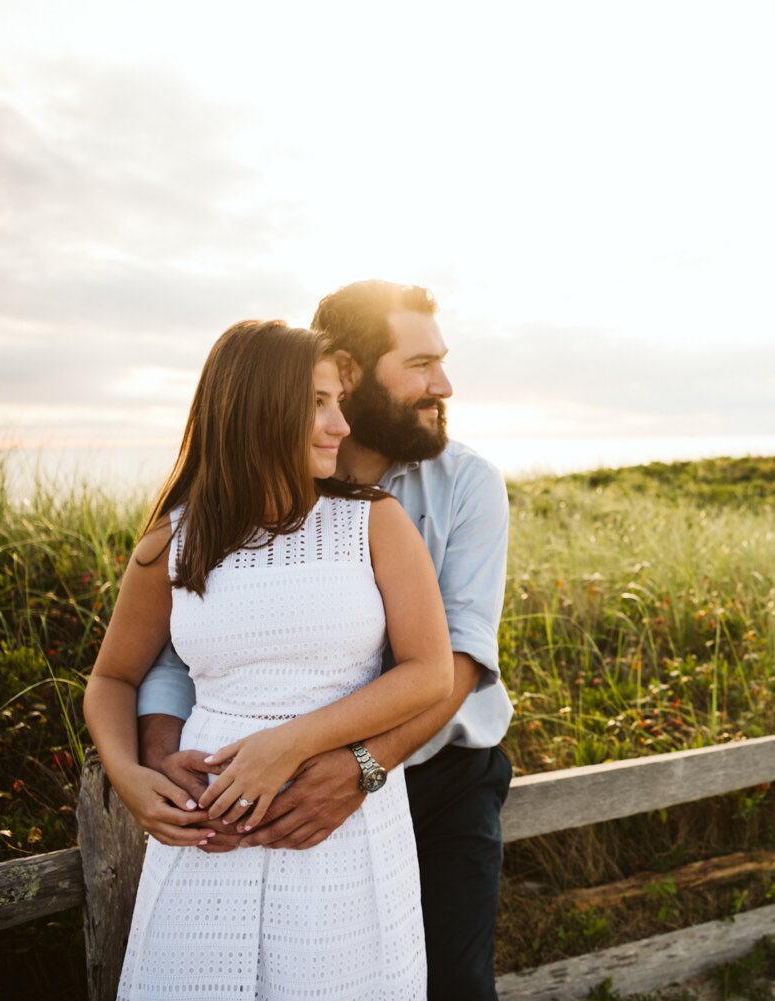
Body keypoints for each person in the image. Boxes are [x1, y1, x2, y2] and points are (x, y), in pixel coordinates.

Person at [134, 281, 514, 1000]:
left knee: (453, 982)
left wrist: (361, 765)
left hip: (441, 771)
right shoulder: (274, 475)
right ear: (346, 366)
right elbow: (180, 648)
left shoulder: (467, 483)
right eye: (422, 364)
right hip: (257, 784)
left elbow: (457, 660)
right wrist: (158, 763)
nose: (445, 384)